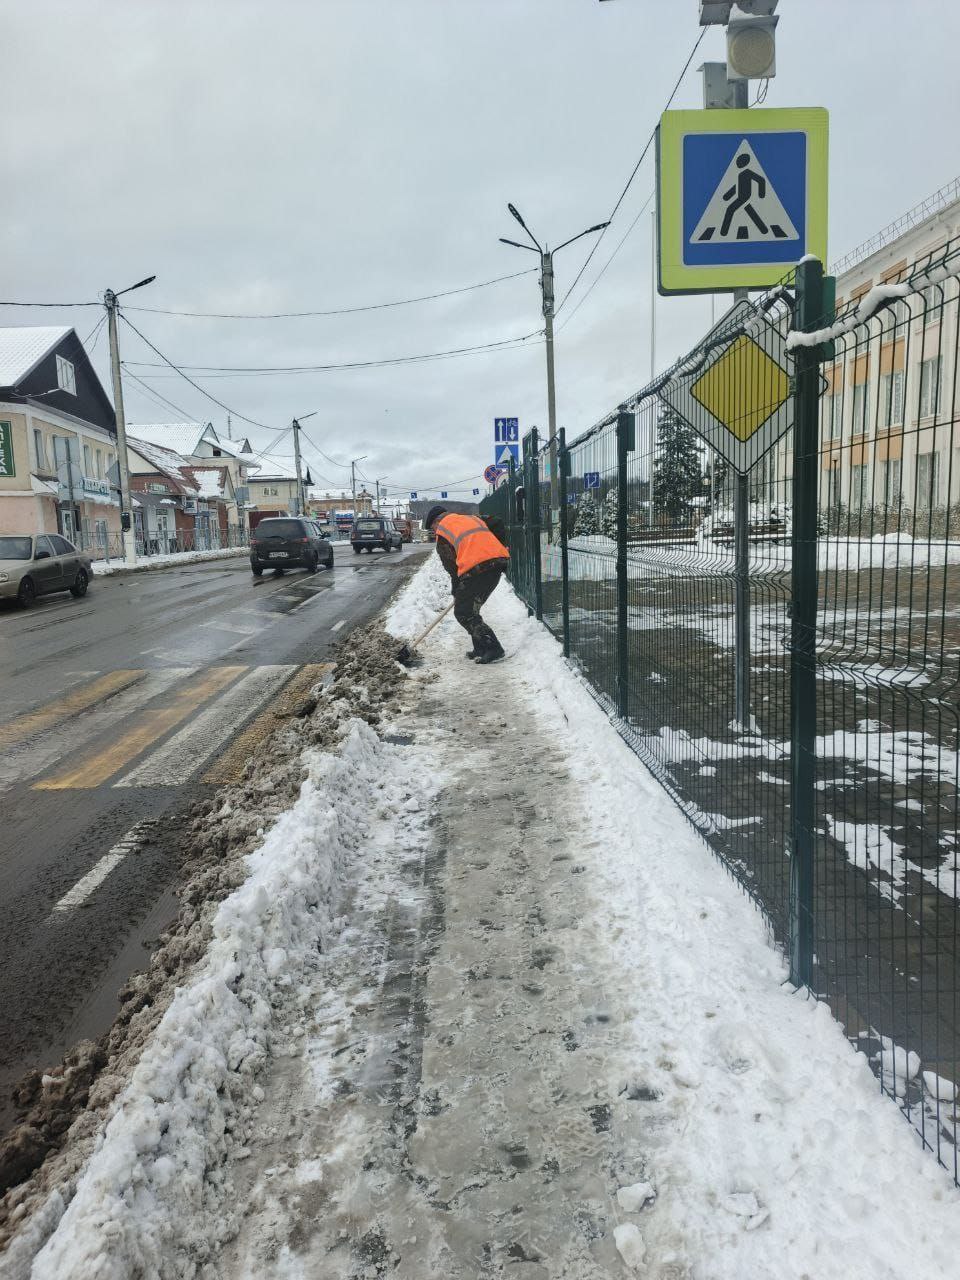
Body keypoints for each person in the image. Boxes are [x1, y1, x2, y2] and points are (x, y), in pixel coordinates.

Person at [424, 505, 509, 664]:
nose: (435, 531)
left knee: (464, 612)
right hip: (497, 563)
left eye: (433, 527)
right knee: (471, 609)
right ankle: (480, 648)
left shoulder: (443, 535)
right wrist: (499, 546)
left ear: (437, 522)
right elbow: (497, 522)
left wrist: (457, 590)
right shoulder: (471, 518)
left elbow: (453, 570)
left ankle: (493, 648)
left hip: (478, 570)